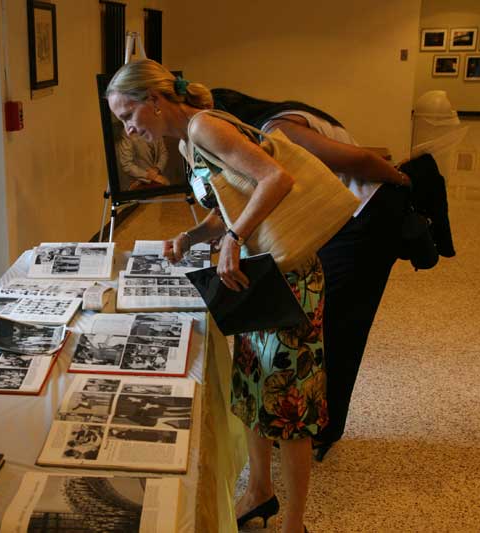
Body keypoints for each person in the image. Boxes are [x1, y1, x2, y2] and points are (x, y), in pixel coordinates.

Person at [106, 59, 335, 533]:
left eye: (128, 115)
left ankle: (295, 524)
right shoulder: (187, 142)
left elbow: (276, 180)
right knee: (253, 388)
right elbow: (235, 202)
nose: (128, 129)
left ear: (154, 100)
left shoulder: (203, 126)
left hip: (286, 275)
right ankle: (260, 492)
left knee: (289, 404)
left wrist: (233, 238)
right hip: (256, 273)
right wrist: (192, 237)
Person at [210, 88, 411, 461]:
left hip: (366, 216)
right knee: (326, 324)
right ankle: (307, 426)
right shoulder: (265, 132)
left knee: (341, 325)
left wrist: (400, 179)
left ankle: (322, 430)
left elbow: (362, 160)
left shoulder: (280, 129)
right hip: (340, 219)